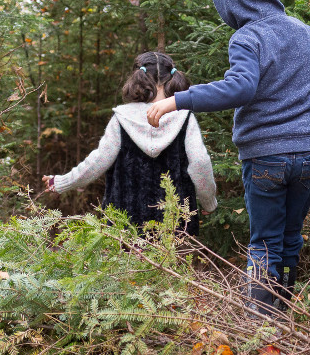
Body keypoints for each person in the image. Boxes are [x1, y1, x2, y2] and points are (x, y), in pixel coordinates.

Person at [148, 0, 310, 318]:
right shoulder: (301, 30)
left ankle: (261, 327)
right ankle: (284, 315)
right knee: (290, 238)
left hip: (266, 157)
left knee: (265, 244)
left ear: (229, 3)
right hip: (308, 155)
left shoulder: (247, 37)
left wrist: (178, 100)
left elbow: (240, 88)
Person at [42, 51, 218, 233]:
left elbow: (98, 162)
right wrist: (208, 202)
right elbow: (200, 162)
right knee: (172, 261)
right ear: (173, 79)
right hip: (175, 223)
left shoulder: (122, 118)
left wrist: (62, 182)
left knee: (127, 261)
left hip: (125, 223)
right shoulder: (184, 117)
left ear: (137, 79)